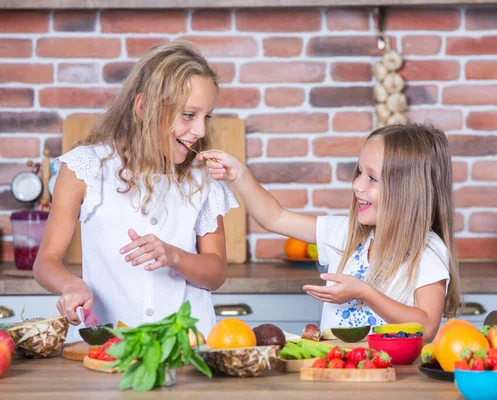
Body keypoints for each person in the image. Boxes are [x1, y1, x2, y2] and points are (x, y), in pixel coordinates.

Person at [33, 40, 238, 337]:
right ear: (143, 107)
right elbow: (46, 261)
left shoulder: (203, 177)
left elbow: (216, 273)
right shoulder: (85, 166)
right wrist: (70, 284)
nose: (201, 131)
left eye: (206, 116)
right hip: (107, 345)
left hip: (190, 345)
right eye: (188, 115)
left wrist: (175, 256)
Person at [201, 123, 461, 341]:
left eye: (372, 178)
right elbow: (274, 217)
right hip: (336, 374)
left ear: (408, 191)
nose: (357, 185)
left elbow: (426, 327)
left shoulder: (426, 250)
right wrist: (240, 176)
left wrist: (365, 292)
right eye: (359, 172)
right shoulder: (347, 234)